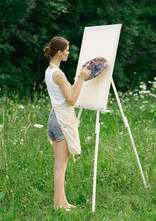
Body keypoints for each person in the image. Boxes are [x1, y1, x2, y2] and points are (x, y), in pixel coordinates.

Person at [43, 36, 91, 211]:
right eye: (67, 50)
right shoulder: (59, 74)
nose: (68, 53)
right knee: (60, 167)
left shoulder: (49, 71)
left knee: (60, 165)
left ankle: (63, 202)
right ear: (59, 52)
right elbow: (71, 99)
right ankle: (58, 205)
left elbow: (65, 96)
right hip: (62, 120)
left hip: (54, 118)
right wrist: (81, 79)